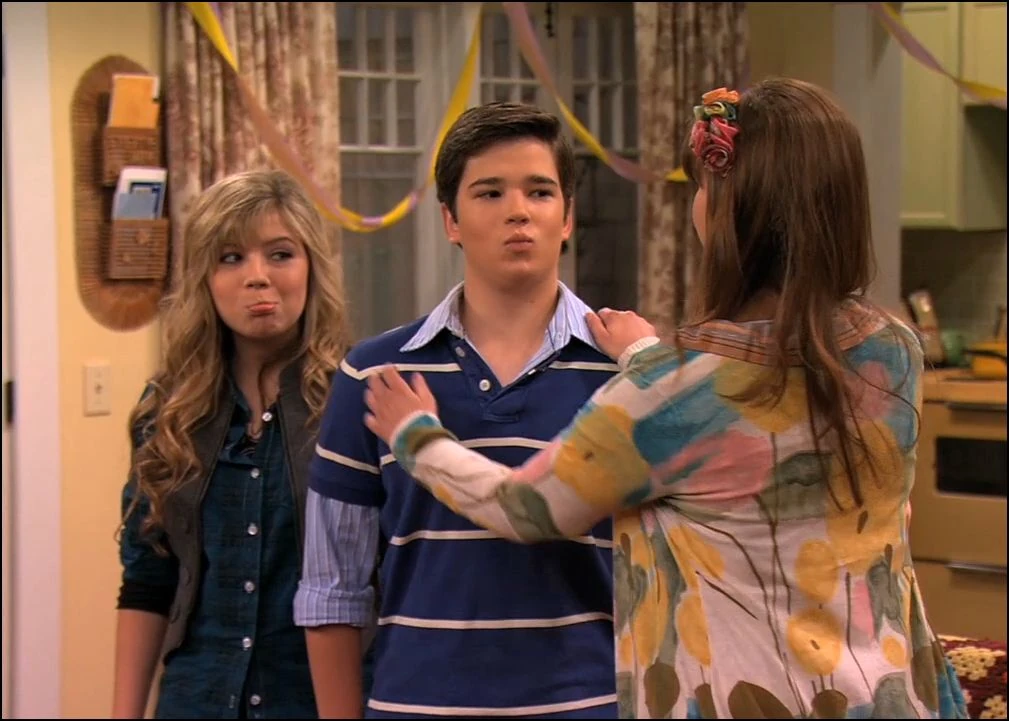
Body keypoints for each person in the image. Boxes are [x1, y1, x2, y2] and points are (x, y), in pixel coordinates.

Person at [361, 79, 970, 720]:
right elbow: (762, 417)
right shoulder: (893, 352)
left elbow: (525, 508)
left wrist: (418, 438)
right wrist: (647, 358)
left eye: (702, 188)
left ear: (734, 213)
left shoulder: (671, 394)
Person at [294, 102, 620, 719]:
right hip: (414, 704)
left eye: (540, 192)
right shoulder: (375, 375)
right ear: (451, 220)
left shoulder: (625, 371)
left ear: (568, 216)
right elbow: (332, 590)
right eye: (490, 192)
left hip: (589, 705)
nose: (518, 210)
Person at [112, 169, 353, 719]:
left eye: (280, 254)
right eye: (231, 258)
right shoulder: (169, 409)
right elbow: (147, 579)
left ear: (312, 267)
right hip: (197, 699)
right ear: (205, 278)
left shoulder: (355, 398)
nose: (257, 278)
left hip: (316, 701)